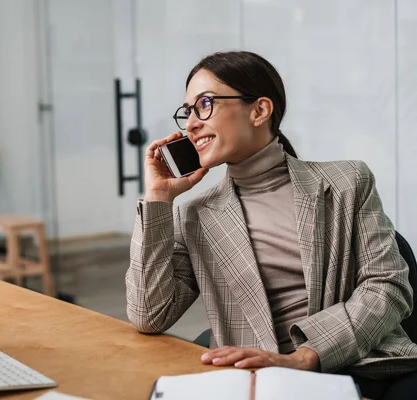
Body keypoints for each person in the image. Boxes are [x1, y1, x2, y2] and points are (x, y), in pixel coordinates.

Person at [125, 51, 417, 400]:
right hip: (255, 379)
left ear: (260, 110)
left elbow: (387, 286)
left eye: (204, 104)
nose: (190, 124)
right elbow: (149, 315)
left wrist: (305, 357)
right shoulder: (196, 214)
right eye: (188, 111)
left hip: (359, 365)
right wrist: (158, 197)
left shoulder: (347, 182)